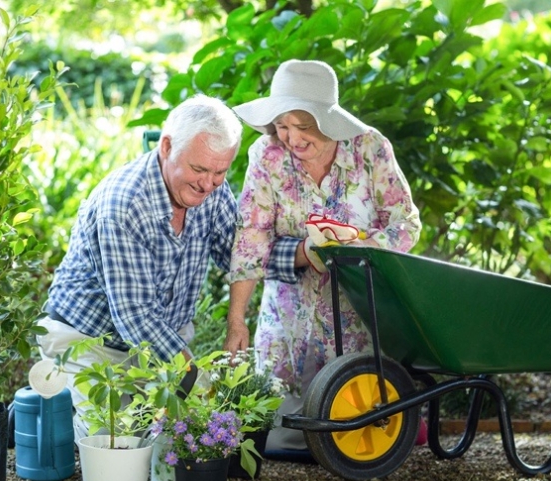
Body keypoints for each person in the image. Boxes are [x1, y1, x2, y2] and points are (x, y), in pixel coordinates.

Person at [222, 59, 424, 453]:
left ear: (329, 121)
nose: (291, 138)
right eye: (282, 125)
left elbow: (406, 224)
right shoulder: (266, 155)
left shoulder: (369, 149)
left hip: (356, 319)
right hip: (286, 322)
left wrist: (354, 248)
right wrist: (236, 320)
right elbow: (252, 237)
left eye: (303, 126)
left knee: (352, 439)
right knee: (279, 442)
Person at [37, 94, 242, 440]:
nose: (209, 184)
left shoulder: (212, 192)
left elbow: (239, 253)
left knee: (184, 442)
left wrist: (304, 252)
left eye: (220, 172)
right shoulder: (125, 204)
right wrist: (194, 377)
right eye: (199, 169)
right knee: (116, 447)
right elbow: (136, 316)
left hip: (160, 348)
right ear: (166, 147)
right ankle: (49, 405)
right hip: (89, 344)